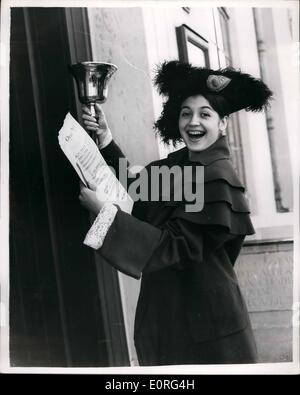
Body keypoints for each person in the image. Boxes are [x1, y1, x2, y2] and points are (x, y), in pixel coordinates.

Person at [79, 60, 272, 365]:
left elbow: (174, 246)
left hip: (205, 330)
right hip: (177, 315)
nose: (193, 122)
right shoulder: (186, 163)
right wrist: (106, 140)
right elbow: (140, 188)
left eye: (205, 114)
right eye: (186, 113)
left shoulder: (217, 176)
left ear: (222, 123)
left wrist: (106, 213)